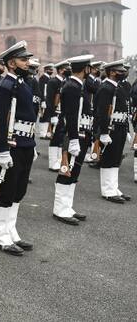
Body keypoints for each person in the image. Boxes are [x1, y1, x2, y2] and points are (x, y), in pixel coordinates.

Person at [0, 41, 36, 256]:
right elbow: (0, 121)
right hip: (12, 145)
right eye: (23, 60)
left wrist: (32, 144)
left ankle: (10, 230)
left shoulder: (21, 84)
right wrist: (1, 150)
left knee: (19, 190)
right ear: (11, 63)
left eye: (27, 59)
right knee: (6, 191)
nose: (27, 63)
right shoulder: (5, 86)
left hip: (25, 143)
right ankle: (0, 235)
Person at [52, 55, 95, 225]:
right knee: (67, 171)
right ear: (85, 69)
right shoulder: (72, 87)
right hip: (72, 135)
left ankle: (67, 207)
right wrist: (74, 139)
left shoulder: (78, 85)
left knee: (74, 172)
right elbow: (70, 116)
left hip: (80, 134)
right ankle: (60, 209)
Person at [94, 60, 131, 203]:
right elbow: (102, 112)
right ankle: (108, 191)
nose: (123, 73)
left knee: (116, 159)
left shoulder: (118, 87)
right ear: (111, 72)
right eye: (120, 71)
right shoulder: (106, 88)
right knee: (109, 158)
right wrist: (103, 132)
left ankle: (114, 187)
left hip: (120, 127)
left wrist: (127, 129)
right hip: (111, 128)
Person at [42, 60, 70, 171]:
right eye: (65, 69)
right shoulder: (53, 82)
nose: (67, 70)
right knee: (55, 138)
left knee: (61, 137)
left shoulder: (66, 81)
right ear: (60, 70)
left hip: (63, 114)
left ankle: (59, 160)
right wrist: (52, 115)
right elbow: (49, 100)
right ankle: (52, 162)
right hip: (56, 114)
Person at [37, 63, 54, 138]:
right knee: (44, 116)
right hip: (44, 100)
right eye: (50, 70)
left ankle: (47, 133)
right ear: (46, 70)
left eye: (52, 70)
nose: (51, 71)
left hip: (49, 100)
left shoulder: (49, 78)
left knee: (48, 116)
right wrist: (43, 100)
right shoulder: (43, 78)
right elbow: (41, 90)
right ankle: (42, 133)